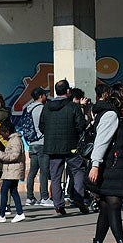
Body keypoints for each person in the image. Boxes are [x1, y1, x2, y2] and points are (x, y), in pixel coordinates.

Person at [87, 83, 123, 243]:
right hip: (108, 166)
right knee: (114, 203)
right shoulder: (111, 115)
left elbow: (121, 142)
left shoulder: (114, 114)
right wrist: (95, 164)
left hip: (112, 165)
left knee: (107, 206)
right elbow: (102, 141)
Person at [40, 79, 90, 216]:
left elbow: (41, 127)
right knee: (78, 170)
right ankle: (79, 198)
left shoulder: (47, 107)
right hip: (71, 146)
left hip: (52, 147)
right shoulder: (73, 107)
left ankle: (58, 204)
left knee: (55, 176)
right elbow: (80, 126)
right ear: (68, 91)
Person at [0, 118, 26, 223]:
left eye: (3, 134)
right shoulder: (14, 140)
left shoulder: (15, 141)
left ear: (7, 132)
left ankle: (1, 214)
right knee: (13, 191)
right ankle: (20, 213)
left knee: (4, 190)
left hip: (12, 170)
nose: (2, 136)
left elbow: (13, 156)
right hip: (12, 170)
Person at [23, 87, 53, 207]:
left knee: (32, 172)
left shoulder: (29, 109)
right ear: (41, 96)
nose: (46, 97)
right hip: (42, 143)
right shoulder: (42, 109)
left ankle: (30, 197)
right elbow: (47, 125)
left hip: (32, 144)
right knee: (44, 171)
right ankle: (44, 197)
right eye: (44, 95)